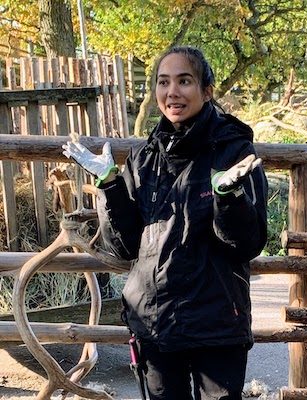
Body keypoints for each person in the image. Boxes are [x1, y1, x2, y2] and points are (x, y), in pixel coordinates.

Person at [63, 45, 268, 400]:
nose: (172, 91)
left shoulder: (234, 153)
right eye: (163, 82)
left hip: (217, 322)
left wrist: (228, 197)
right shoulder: (144, 159)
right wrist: (110, 186)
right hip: (153, 322)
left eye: (184, 81)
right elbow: (123, 246)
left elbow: (247, 244)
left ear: (206, 91)